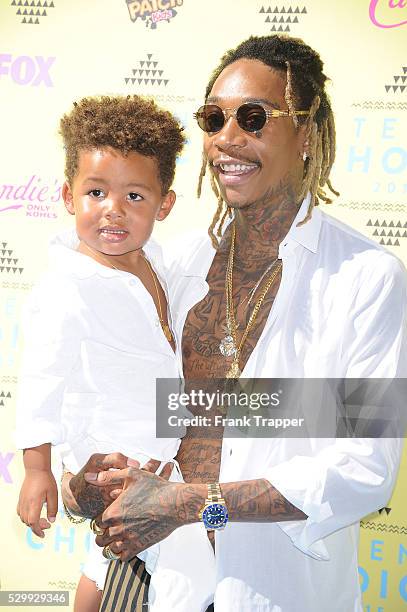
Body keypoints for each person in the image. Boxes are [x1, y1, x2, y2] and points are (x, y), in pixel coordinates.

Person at [63, 35, 407, 612]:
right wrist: (84, 486)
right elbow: (115, 408)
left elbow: (364, 470)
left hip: (273, 593)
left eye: (253, 117)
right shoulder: (173, 267)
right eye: (213, 118)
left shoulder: (366, 279)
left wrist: (191, 504)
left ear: (307, 134)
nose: (227, 137)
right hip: (148, 579)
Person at [15, 94, 190, 612]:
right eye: (96, 192)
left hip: (163, 458)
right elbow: (40, 379)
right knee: (133, 560)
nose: (114, 209)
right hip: (111, 456)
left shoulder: (159, 263)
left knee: (119, 563)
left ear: (165, 205)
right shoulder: (65, 286)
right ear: (69, 196)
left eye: (135, 196)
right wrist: (38, 469)